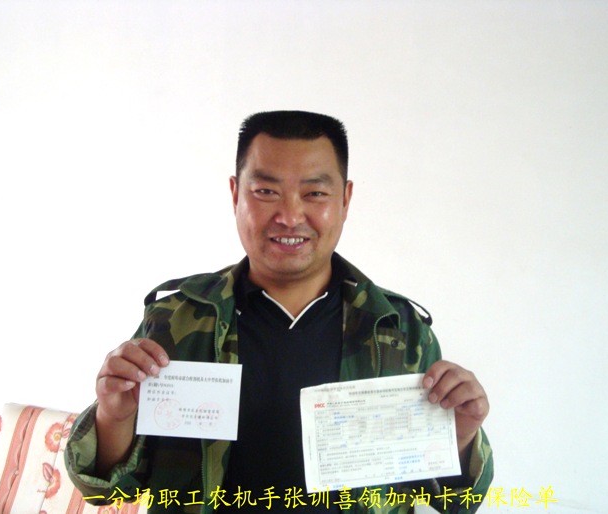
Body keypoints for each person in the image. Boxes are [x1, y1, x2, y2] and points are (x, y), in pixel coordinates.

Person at [65, 110, 493, 513]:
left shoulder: (399, 330)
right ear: (236, 194)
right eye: (266, 191)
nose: (290, 217)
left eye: (315, 193)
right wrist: (114, 416)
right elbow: (108, 489)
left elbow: (452, 501)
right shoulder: (176, 318)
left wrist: (458, 436)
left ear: (345, 199)